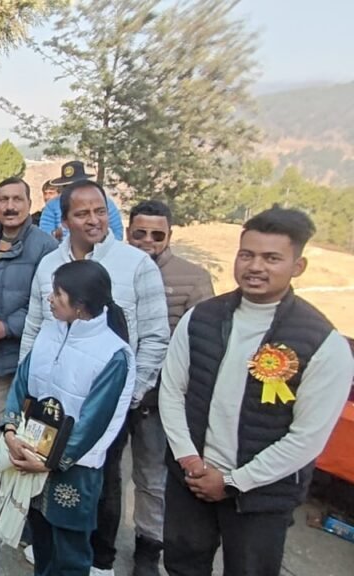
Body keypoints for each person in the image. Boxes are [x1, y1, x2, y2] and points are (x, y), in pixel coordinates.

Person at [159, 207, 354, 576]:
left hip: (263, 496)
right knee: (182, 565)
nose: (255, 267)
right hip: (191, 478)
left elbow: (306, 438)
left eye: (271, 258)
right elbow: (171, 390)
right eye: (246, 255)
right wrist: (189, 459)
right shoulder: (201, 318)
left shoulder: (322, 344)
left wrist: (233, 482)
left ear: (298, 266)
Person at [21, 178, 169, 575]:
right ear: (64, 220)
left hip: (106, 404)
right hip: (50, 401)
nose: (93, 220)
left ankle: (100, 558)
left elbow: (156, 336)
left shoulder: (135, 264)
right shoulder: (49, 265)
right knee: (44, 470)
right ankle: (49, 544)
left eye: (100, 211)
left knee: (100, 478)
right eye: (82, 213)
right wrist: (28, 391)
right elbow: (34, 327)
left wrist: (128, 396)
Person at [4, 260, 135, 576]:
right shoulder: (50, 331)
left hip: (74, 468)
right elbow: (23, 381)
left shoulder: (112, 354)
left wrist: (51, 462)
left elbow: (94, 421)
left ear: (80, 304)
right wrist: (10, 429)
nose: (49, 298)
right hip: (32, 452)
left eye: (57, 293)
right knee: (41, 540)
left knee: (70, 553)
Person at [124, 199, 215, 574]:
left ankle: (148, 546)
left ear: (170, 236)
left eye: (157, 235)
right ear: (128, 233)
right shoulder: (112, 266)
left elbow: (201, 344)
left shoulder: (193, 278)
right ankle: (97, 537)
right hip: (111, 393)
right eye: (140, 233)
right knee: (102, 473)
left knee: (151, 478)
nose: (148, 241)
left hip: (158, 401)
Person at [0, 177, 58, 510]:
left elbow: (46, 302)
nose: (10, 206)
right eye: (3, 199)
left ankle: (26, 503)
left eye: (17, 199)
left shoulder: (45, 246)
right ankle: (2, 494)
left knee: (29, 430)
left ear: (29, 203)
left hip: (23, 354)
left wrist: (7, 327)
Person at [39, 161, 124, 241]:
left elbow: (117, 232)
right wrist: (55, 235)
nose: (72, 189)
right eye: (67, 186)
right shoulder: (52, 206)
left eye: (77, 185)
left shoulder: (104, 201)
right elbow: (45, 237)